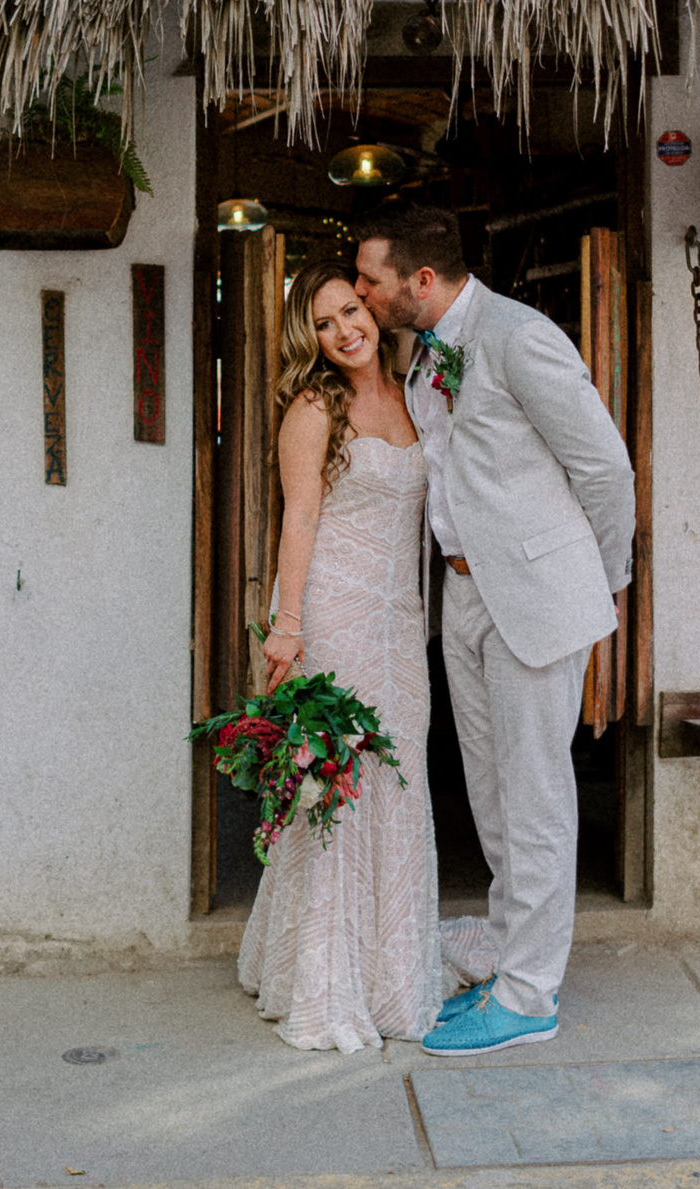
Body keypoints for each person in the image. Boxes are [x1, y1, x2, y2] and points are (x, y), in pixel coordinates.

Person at [353, 204, 635, 1057]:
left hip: (538, 596)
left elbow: (605, 466)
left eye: (371, 278)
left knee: (537, 793)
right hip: (465, 594)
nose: (362, 293)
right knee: (491, 792)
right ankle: (515, 949)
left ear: (421, 281)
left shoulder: (519, 336)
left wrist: (600, 579)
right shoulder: (420, 353)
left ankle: (529, 996)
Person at [236, 259, 445, 1052]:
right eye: (324, 323)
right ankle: (325, 973)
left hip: (401, 624)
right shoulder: (312, 408)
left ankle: (392, 971)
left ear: (375, 309)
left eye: (351, 310)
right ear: (312, 339)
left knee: (400, 782)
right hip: (335, 615)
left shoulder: (416, 395)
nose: (344, 330)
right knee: (340, 789)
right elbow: (299, 522)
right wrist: (287, 628)